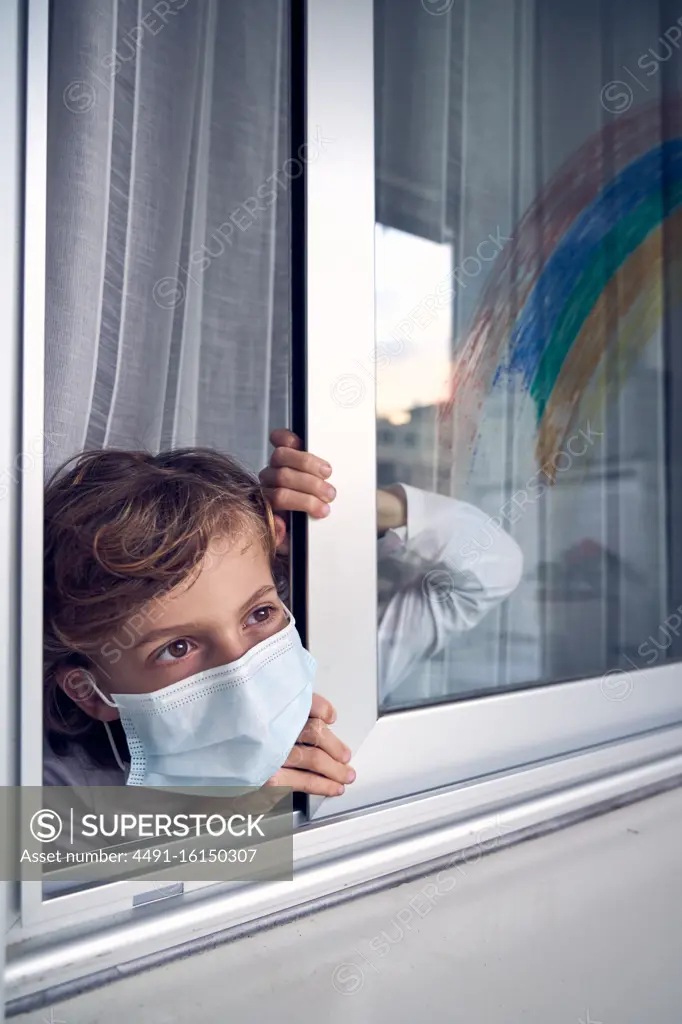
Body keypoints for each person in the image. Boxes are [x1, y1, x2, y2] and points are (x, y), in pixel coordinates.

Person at [43, 430, 522, 790]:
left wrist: (353, 511)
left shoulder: (329, 689)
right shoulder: (52, 791)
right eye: (179, 647)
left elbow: (492, 567)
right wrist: (219, 824)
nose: (243, 672)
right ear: (90, 692)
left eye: (258, 615)